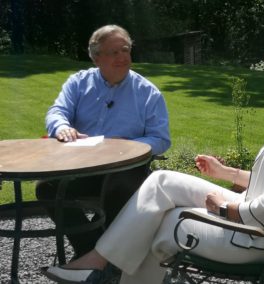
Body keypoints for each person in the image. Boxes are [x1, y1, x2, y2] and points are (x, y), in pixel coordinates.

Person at [41, 44, 264, 284]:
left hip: (253, 240)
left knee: (162, 224)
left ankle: (97, 264)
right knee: (162, 181)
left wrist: (220, 206)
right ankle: (97, 261)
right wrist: (225, 173)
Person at [36, 24, 171, 258]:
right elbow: (57, 111)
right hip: (82, 166)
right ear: (96, 58)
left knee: (118, 185)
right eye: (113, 52)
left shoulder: (148, 93)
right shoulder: (78, 83)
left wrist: (130, 146)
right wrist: (62, 127)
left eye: (125, 50)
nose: (122, 57)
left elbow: (161, 139)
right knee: (47, 187)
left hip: (125, 169)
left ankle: (103, 254)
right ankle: (90, 247)